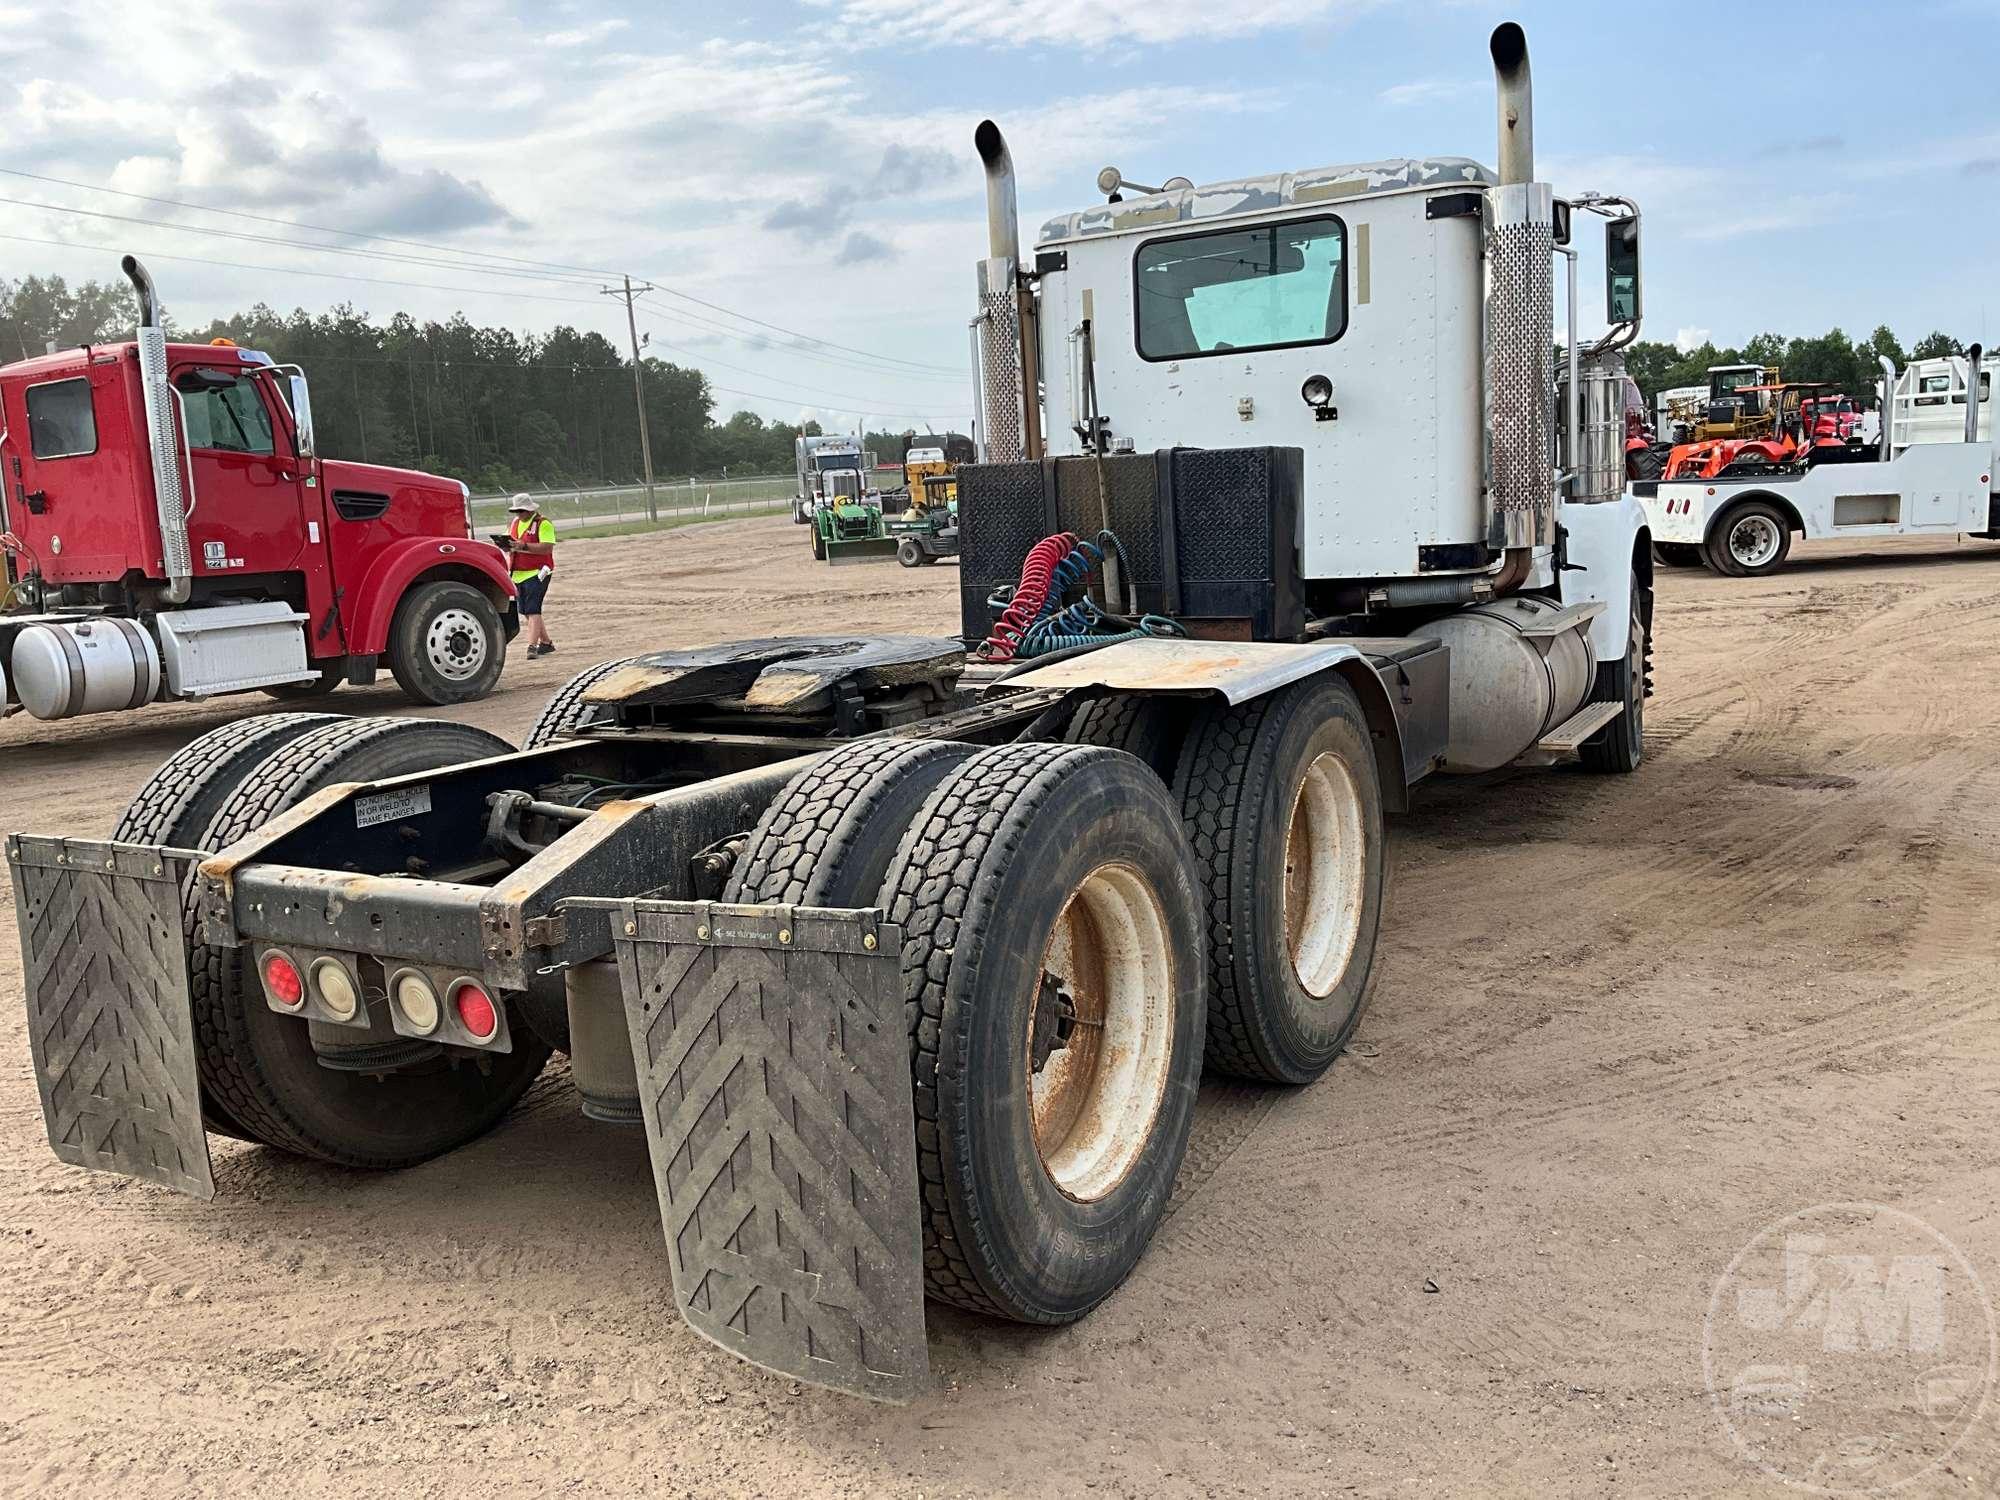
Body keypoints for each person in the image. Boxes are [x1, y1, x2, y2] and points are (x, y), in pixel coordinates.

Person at [505, 494, 557, 657]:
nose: (519, 514)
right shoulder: (514, 523)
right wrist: (507, 546)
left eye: (521, 510)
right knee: (526, 611)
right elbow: (509, 542)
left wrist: (524, 546)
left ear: (530, 509)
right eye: (516, 511)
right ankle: (546, 643)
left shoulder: (543, 524)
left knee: (534, 609)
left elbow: (547, 548)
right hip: (517, 574)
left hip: (538, 572)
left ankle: (532, 647)